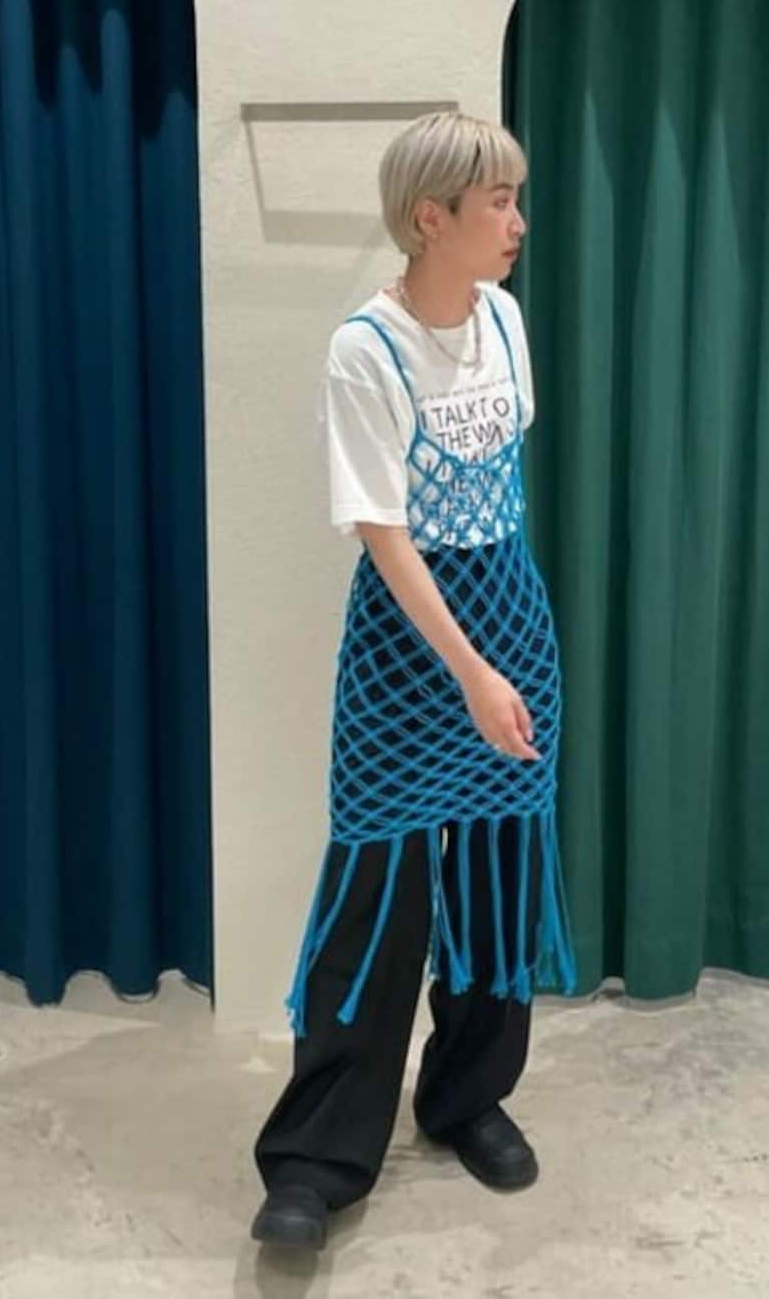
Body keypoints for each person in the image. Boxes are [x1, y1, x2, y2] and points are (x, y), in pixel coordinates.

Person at [250, 110, 577, 1251]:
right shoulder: (366, 348)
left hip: (512, 624)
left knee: (495, 877)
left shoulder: (506, 320)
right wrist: (472, 674)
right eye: (498, 201)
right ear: (430, 217)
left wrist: (502, 666)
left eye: (515, 197)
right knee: (376, 895)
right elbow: (385, 535)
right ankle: (317, 1156)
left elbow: (501, 493)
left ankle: (468, 1098)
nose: (517, 221)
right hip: (407, 648)